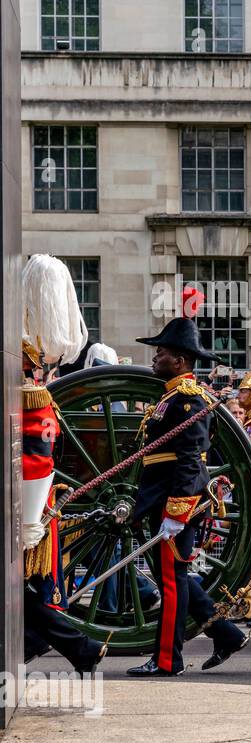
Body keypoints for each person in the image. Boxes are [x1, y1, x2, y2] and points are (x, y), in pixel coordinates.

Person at [125, 305, 249, 676]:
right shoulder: (172, 398)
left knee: (171, 582)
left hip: (176, 505)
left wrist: (176, 514)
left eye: (161, 352)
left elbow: (190, 459)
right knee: (174, 576)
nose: (156, 356)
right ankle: (224, 633)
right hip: (163, 501)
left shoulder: (190, 400)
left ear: (179, 360)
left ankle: (168, 660)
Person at [19, 255, 106, 675]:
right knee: (21, 592)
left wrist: (31, 518)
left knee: (19, 592)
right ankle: (76, 648)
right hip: (31, 499)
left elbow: (37, 445)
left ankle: (75, 647)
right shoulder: (29, 370)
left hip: (28, 503)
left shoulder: (26, 376)